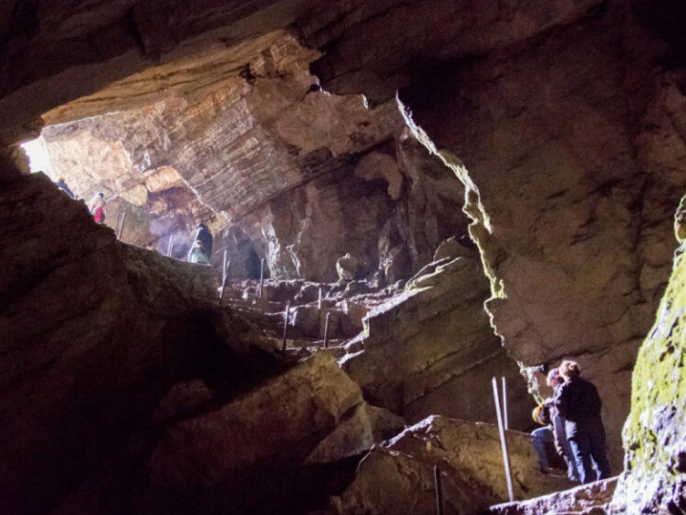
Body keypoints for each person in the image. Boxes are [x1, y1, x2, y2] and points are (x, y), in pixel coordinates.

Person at [555, 360, 611, 484]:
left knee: (583, 462)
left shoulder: (564, 388)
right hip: (595, 427)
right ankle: (608, 487)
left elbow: (561, 410)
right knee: (601, 460)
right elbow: (598, 404)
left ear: (564, 373)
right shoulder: (590, 386)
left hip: (577, 429)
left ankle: (591, 492)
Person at [531, 368, 579, 481]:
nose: (547, 378)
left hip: (565, 426)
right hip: (556, 427)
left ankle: (576, 477)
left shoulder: (562, 388)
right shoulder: (557, 390)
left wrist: (550, 403)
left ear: (555, 378)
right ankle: (544, 467)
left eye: (549, 376)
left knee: (569, 451)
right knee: (537, 435)